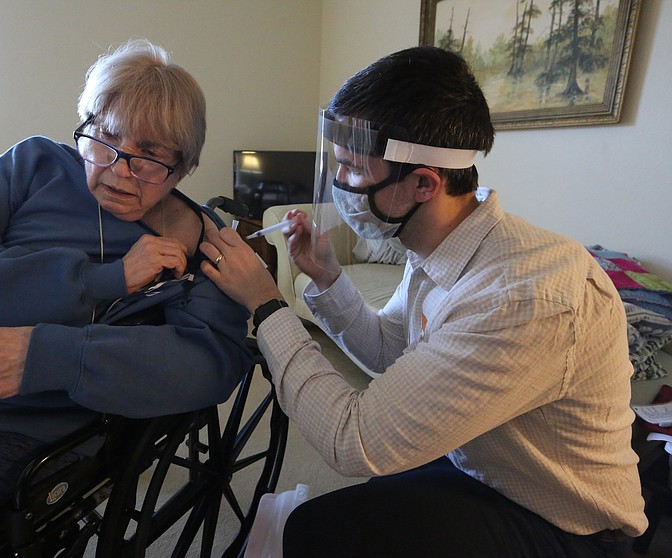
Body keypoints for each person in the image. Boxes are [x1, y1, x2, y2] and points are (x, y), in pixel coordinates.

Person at [200, 45, 647, 557]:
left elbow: (353, 439)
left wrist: (267, 303)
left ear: (422, 183)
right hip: (481, 465)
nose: (340, 184)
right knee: (355, 510)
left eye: (352, 168)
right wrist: (326, 278)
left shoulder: (521, 297)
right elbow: (395, 352)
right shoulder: (437, 243)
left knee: (319, 532)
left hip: (565, 524)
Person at [0, 38, 252, 556]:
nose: (120, 170)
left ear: (183, 170)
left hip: (0, 425)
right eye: (106, 139)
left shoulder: (196, 241)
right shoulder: (32, 166)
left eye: (151, 157)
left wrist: (46, 356)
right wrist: (104, 280)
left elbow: (211, 361)